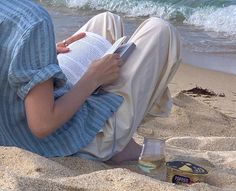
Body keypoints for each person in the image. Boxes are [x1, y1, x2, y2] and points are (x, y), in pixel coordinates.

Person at [0, 0, 181, 163]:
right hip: (53, 142)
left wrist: (39, 54)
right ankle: (118, 144)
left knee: (106, 22)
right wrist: (93, 78)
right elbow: (42, 125)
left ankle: (124, 139)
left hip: (9, 124)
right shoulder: (33, 19)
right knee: (161, 30)